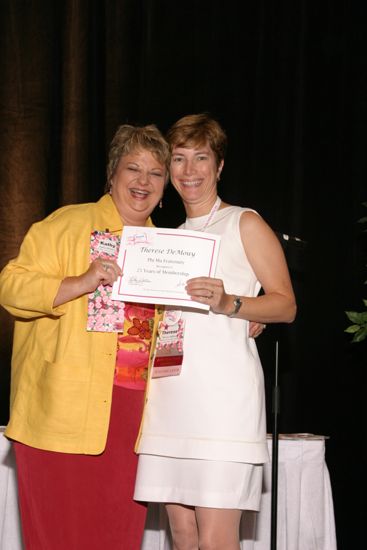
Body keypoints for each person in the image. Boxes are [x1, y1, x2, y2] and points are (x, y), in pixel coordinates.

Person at [0, 123, 171, 550]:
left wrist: (239, 317)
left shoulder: (169, 250)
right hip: (61, 410)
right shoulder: (66, 224)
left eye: (155, 173)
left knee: (116, 537)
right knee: (60, 536)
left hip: (134, 419)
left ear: (165, 187)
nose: (143, 181)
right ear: (112, 174)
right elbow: (11, 288)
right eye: (134, 168)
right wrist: (80, 281)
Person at [134, 113, 297, 549]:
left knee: (216, 538)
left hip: (223, 404)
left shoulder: (244, 223)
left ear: (219, 166)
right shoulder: (164, 241)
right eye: (179, 159)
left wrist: (233, 305)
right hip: (169, 399)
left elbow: (286, 304)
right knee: (182, 535)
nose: (189, 171)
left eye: (200, 158)